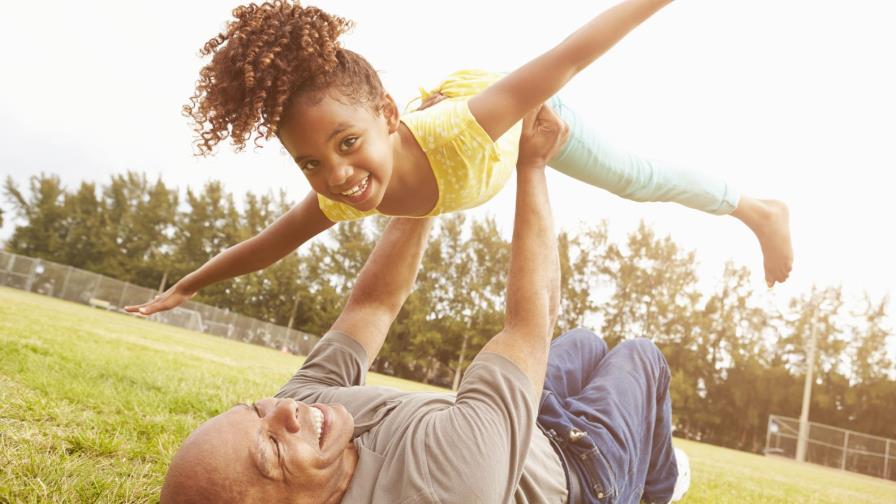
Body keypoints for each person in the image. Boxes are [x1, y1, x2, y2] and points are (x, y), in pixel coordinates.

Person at [126, 0, 792, 318]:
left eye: (347, 145)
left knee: (633, 180)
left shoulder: (469, 126)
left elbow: (570, 55)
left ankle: (757, 208)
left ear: (385, 117)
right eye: (309, 163)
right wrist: (186, 286)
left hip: (507, 118)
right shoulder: (338, 191)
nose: (336, 178)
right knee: (388, 195)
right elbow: (266, 246)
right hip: (432, 135)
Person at [160, 106, 689, 503]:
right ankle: (656, 490)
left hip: (527, 426)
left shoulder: (299, 405)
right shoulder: (439, 486)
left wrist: (423, 177)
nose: (283, 412)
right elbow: (530, 324)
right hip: (579, 468)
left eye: (255, 410)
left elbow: (373, 305)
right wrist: (532, 166)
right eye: (272, 449)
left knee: (588, 344)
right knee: (640, 357)